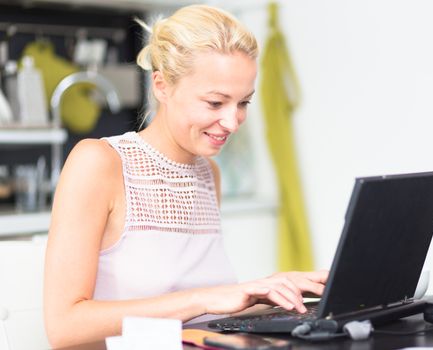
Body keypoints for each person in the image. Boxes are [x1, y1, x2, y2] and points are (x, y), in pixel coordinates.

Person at [43, 4, 328, 348]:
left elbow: (196, 323)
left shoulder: (209, 174)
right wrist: (204, 298)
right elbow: (63, 326)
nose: (232, 121)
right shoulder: (99, 162)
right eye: (215, 103)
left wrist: (265, 291)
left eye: (243, 103)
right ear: (162, 85)